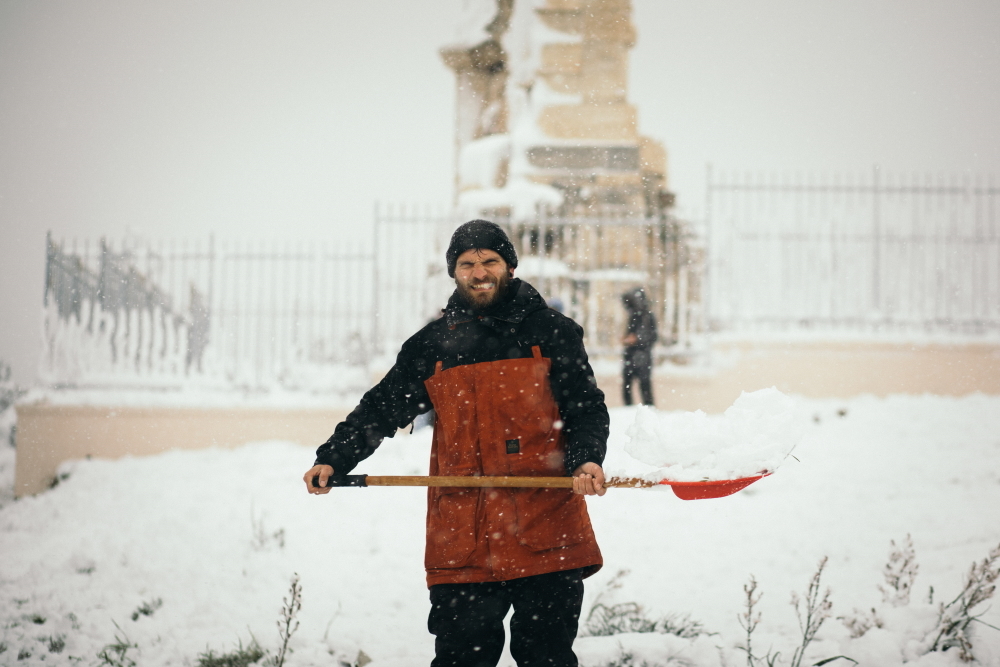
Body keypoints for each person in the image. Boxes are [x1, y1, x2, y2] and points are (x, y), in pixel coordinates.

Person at [303, 219, 610, 667]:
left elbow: (585, 408)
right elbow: (381, 408)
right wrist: (333, 457)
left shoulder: (552, 332)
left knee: (547, 658)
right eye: (467, 264)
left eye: (489, 261)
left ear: (509, 265)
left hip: (547, 528)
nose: (479, 272)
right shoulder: (432, 345)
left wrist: (586, 462)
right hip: (463, 538)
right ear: (454, 272)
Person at [620, 287, 657, 406]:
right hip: (631, 355)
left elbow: (652, 337)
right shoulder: (634, 316)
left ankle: (648, 411)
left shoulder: (647, 317)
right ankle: (628, 410)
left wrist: (636, 339)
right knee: (627, 385)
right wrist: (627, 339)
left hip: (642, 356)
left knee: (644, 386)